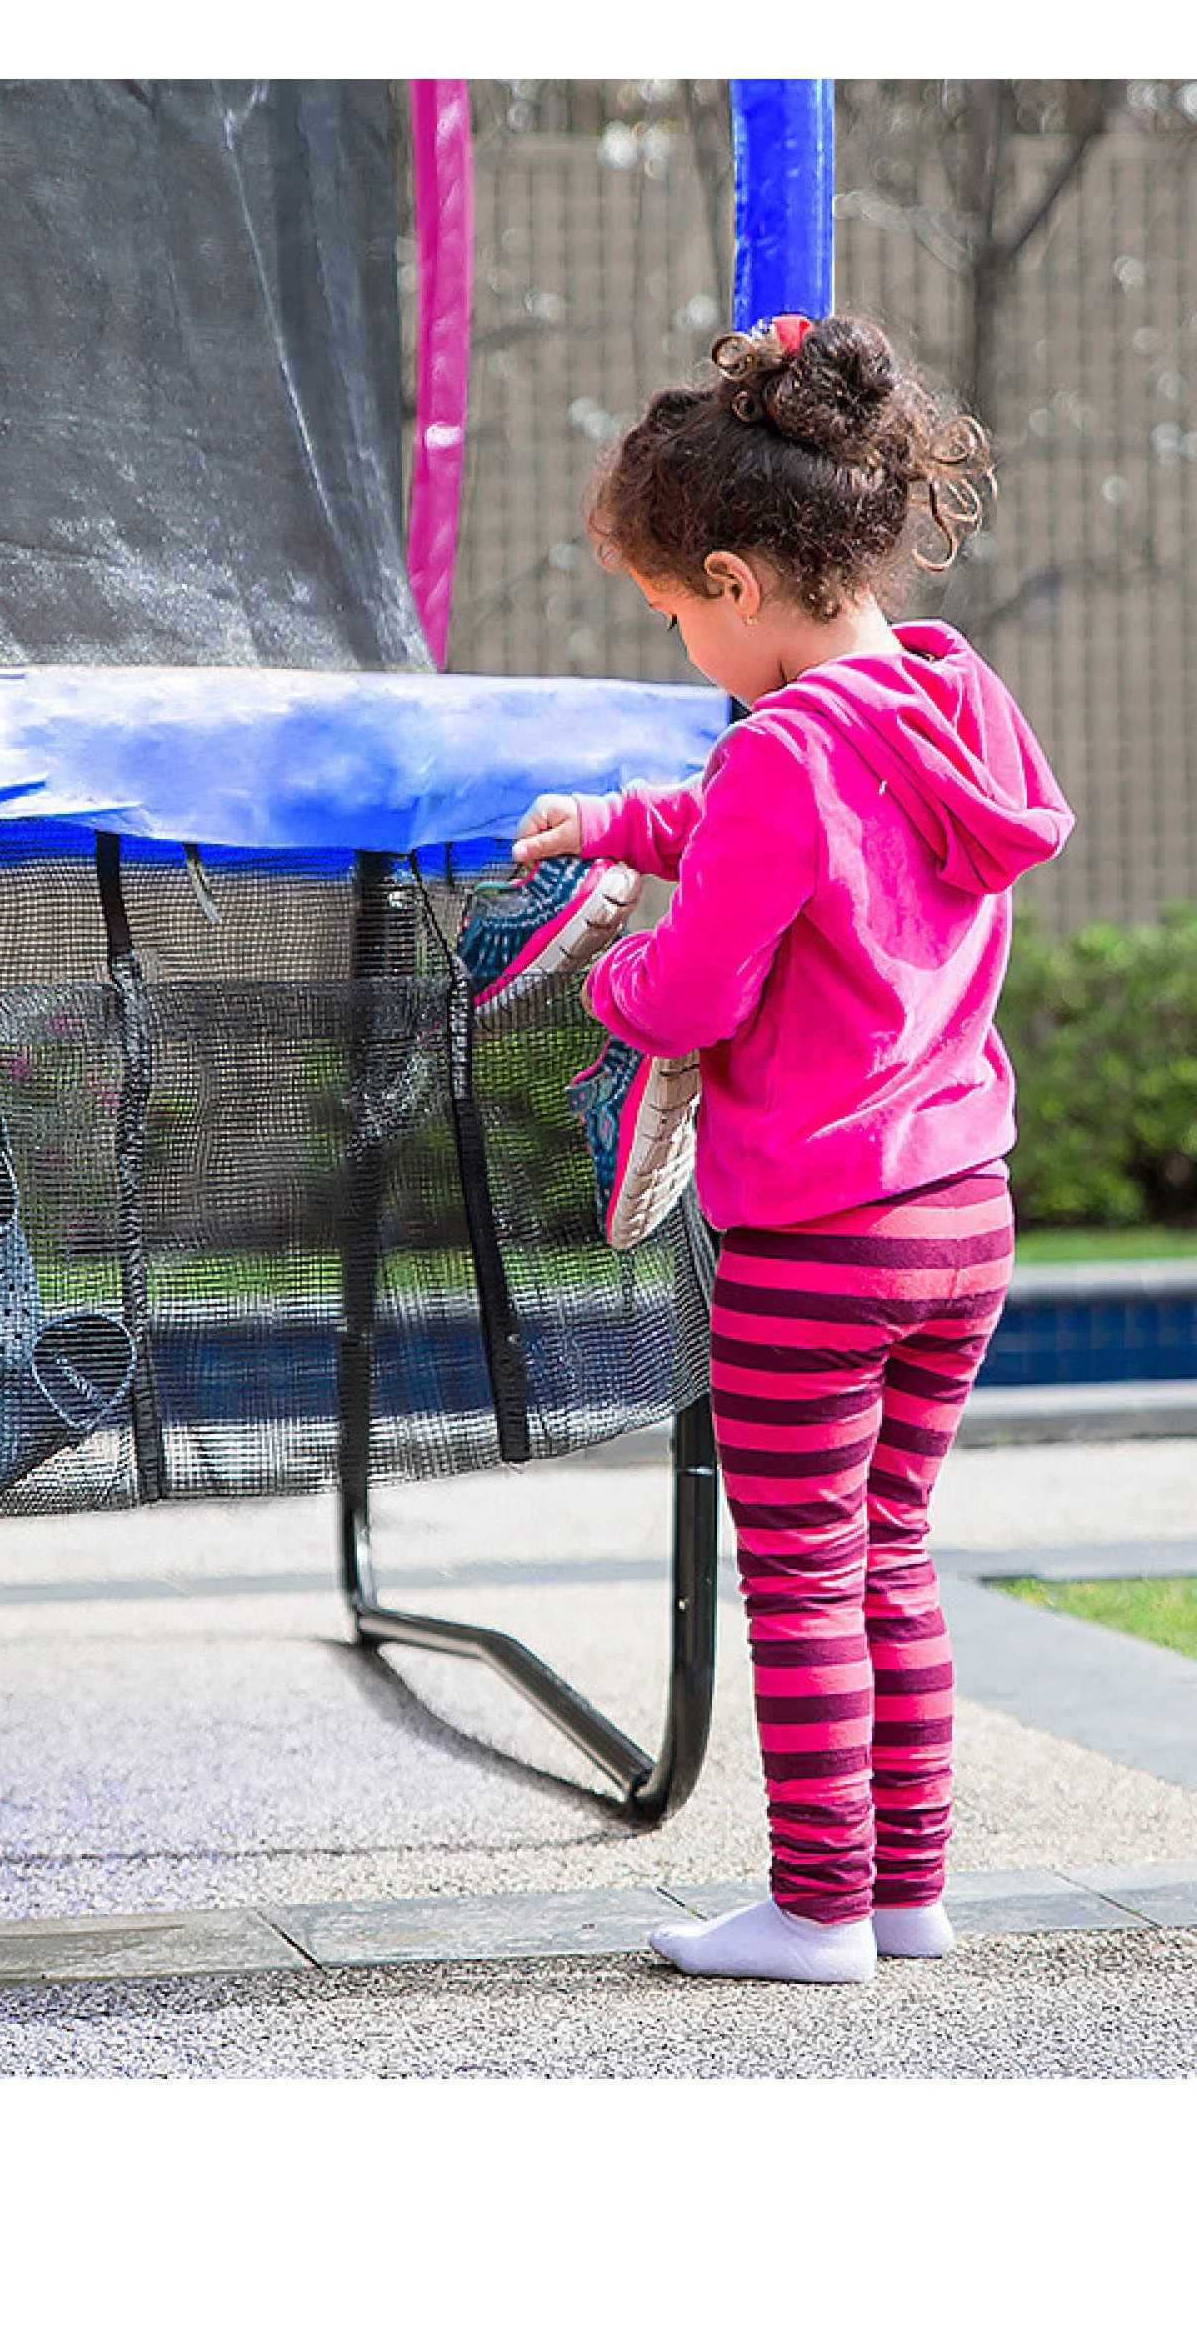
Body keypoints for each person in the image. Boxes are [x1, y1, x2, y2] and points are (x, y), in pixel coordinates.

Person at [509, 312, 1074, 1983]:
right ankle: (909, 1892)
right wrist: (628, 817)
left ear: (740, 581)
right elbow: (805, 816)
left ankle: (818, 1909)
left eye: (676, 613)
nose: (682, 639)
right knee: (892, 1557)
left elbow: (693, 987)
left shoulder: (776, 753)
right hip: (963, 1211)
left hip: (819, 1236)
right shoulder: (944, 695)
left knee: (803, 1574)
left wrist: (604, 969)